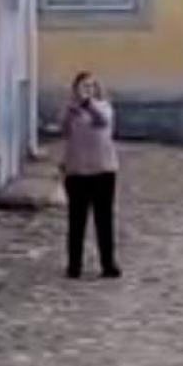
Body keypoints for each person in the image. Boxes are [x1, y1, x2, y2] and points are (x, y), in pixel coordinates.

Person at [61, 72, 121, 280]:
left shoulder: (104, 107)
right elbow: (65, 131)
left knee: (104, 220)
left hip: (103, 171)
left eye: (91, 85)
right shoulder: (71, 110)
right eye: (83, 85)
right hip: (77, 172)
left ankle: (108, 263)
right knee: (76, 221)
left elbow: (102, 122)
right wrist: (71, 111)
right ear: (75, 88)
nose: (87, 89)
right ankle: (74, 265)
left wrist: (88, 104)